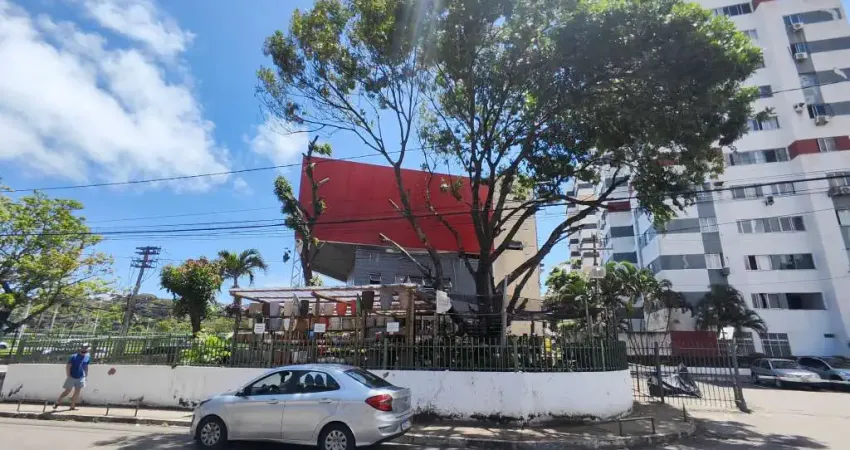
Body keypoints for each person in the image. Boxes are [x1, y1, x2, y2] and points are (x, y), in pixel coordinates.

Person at [53, 343, 91, 411]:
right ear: (81, 349)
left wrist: (86, 375)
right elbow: (68, 366)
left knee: (77, 392)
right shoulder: (74, 356)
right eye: (83, 348)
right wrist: (68, 375)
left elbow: (86, 365)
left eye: (86, 349)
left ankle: (72, 406)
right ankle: (57, 402)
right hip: (72, 376)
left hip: (81, 377)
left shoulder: (87, 356)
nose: (84, 350)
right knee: (67, 391)